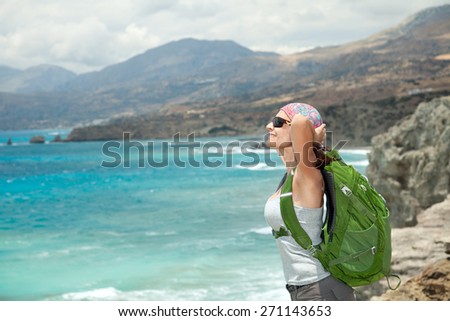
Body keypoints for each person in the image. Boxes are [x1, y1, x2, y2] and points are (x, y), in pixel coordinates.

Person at [264, 102, 355, 301]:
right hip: (303, 290)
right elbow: (293, 139)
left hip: (320, 289)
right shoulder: (291, 174)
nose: (269, 126)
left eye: (278, 122)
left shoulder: (307, 175)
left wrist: (312, 139)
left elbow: (300, 121)